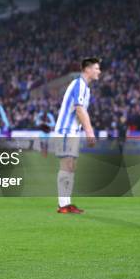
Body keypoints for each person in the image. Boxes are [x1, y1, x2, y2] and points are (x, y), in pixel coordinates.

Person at [53, 57, 101, 214]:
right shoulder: (79, 84)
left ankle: (67, 203)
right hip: (65, 131)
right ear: (87, 69)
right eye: (96, 68)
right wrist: (89, 132)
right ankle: (63, 205)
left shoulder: (85, 88)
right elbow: (80, 110)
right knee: (66, 165)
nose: (99, 71)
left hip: (73, 132)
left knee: (71, 166)